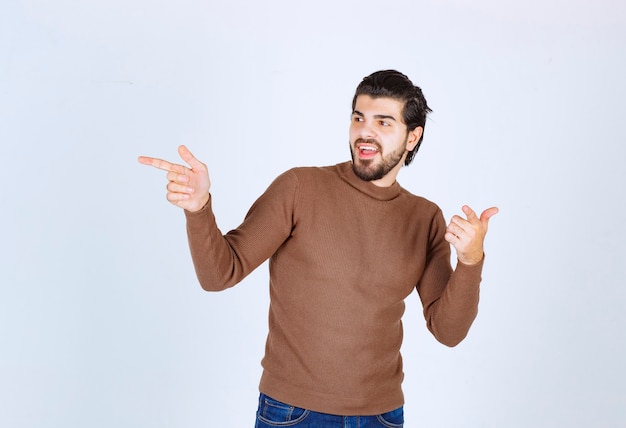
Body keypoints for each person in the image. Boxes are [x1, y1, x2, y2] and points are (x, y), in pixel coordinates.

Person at [138, 70, 498, 427]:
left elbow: (448, 331)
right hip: (293, 413)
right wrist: (199, 208)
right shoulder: (299, 187)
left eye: (384, 122)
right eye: (359, 118)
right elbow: (220, 274)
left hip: (382, 417)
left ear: (411, 137)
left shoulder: (424, 217)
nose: (365, 132)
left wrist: (471, 260)